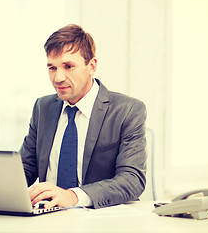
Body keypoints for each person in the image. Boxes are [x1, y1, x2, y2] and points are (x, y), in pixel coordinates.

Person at [19, 24, 147, 209]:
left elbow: (132, 180)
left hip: (99, 220)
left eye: (68, 66)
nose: (58, 78)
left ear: (91, 66)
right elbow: (25, 168)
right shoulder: (43, 107)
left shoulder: (127, 110)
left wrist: (73, 196)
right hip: (47, 218)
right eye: (52, 68)